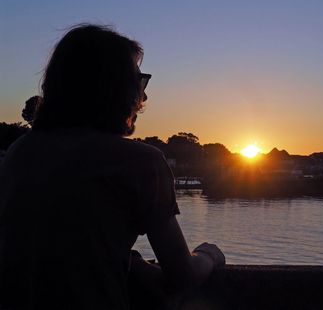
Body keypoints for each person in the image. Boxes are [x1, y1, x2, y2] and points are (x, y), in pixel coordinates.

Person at [0, 24, 225, 310]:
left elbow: (55, 242)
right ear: (118, 89)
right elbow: (183, 276)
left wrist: (126, 260)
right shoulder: (140, 161)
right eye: (139, 82)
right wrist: (208, 255)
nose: (143, 98)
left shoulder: (20, 152)